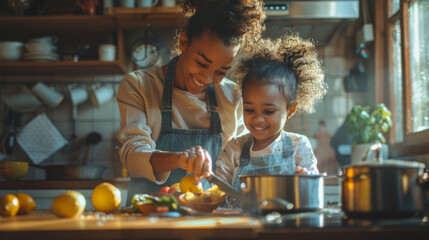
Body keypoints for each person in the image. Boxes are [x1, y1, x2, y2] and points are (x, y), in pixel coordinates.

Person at [116, 0, 265, 205]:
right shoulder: (139, 86)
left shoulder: (234, 96)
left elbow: (240, 163)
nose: (207, 77)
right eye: (201, 63)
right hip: (149, 216)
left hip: (210, 220)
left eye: (221, 72)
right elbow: (133, 157)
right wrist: (180, 159)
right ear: (183, 42)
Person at [215, 34, 328, 194]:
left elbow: (315, 193)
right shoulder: (234, 149)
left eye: (268, 111)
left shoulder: (298, 146)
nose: (257, 119)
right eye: (249, 109)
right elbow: (216, 194)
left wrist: (305, 182)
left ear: (290, 110)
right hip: (242, 220)